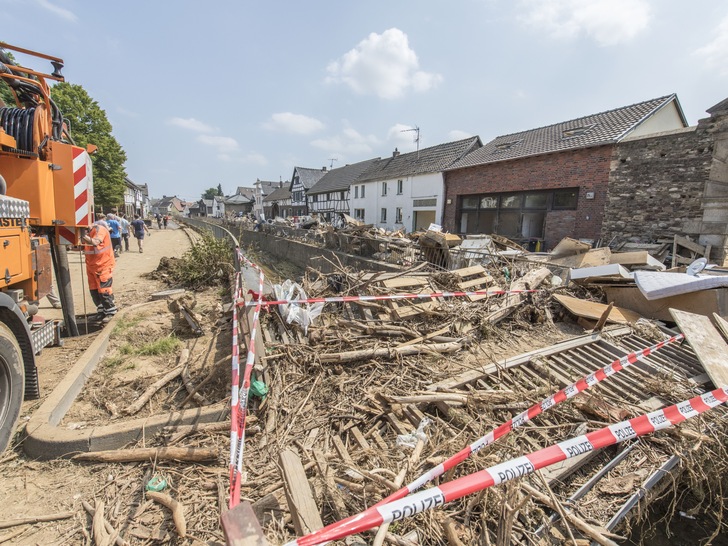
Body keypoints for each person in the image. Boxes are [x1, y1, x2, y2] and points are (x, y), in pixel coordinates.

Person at [81, 220, 117, 323]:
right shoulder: (86, 233)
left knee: (104, 289)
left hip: (103, 265)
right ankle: (101, 311)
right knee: (94, 290)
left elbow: (96, 242)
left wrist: (81, 235)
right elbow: (82, 247)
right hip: (92, 266)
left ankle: (111, 311)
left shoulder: (100, 230)